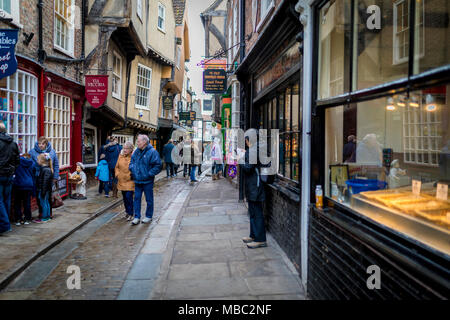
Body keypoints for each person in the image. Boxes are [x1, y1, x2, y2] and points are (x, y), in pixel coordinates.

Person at [129, 134, 162, 226]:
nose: (137, 143)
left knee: (149, 199)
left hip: (147, 181)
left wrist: (149, 174)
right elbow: (131, 162)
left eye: (138, 141)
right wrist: (132, 169)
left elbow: (158, 165)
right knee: (136, 199)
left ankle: (148, 216)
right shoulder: (136, 152)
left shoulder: (152, 152)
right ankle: (137, 217)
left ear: (144, 142)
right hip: (137, 180)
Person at [241, 136, 267, 249]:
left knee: (257, 213)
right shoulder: (253, 151)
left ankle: (260, 239)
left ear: (248, 141)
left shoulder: (253, 151)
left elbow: (248, 168)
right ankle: (253, 235)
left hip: (255, 186)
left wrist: (240, 159)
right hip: (252, 185)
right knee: (252, 212)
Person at [29, 137, 60, 219]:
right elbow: (29, 164)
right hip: (37, 177)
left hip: (49, 177)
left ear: (46, 144)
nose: (40, 145)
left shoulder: (52, 152)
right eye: (39, 144)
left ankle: (49, 213)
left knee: (48, 195)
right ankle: (41, 212)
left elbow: (56, 165)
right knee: (39, 196)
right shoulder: (32, 152)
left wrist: (55, 177)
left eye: (42, 144)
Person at [0, 123, 20, 234]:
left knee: (0, 201)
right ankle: (6, 223)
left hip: (1, 174)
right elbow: (18, 160)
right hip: (9, 176)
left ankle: (5, 226)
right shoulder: (13, 143)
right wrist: (12, 170)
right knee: (6, 199)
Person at [13, 153, 36, 225]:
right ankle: (27, 219)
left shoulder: (16, 163)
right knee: (27, 203)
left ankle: (18, 219)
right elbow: (33, 174)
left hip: (18, 184)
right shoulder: (31, 163)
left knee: (17, 203)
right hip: (28, 184)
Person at [115, 142, 135, 221]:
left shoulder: (134, 156)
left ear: (131, 149)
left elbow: (136, 167)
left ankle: (131, 213)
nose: (125, 150)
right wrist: (117, 174)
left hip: (130, 181)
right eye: (124, 148)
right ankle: (127, 212)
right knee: (124, 198)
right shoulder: (120, 156)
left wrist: (132, 174)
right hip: (121, 181)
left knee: (129, 197)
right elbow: (116, 167)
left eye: (127, 148)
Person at [34, 153, 54, 223]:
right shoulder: (45, 169)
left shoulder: (46, 170)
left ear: (42, 161)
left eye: (38, 160)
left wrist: (43, 191)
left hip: (43, 190)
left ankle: (45, 217)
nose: (37, 161)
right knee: (46, 202)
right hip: (45, 190)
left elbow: (45, 182)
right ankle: (47, 216)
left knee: (44, 203)